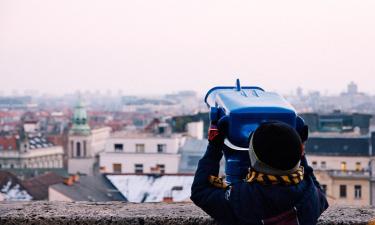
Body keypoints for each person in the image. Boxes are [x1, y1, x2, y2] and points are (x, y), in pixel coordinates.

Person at [191, 121, 328, 225]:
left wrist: (214, 146)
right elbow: (316, 189)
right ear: (299, 153)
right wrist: (299, 149)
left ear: (254, 158)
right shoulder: (311, 197)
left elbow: (200, 191)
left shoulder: (242, 198)